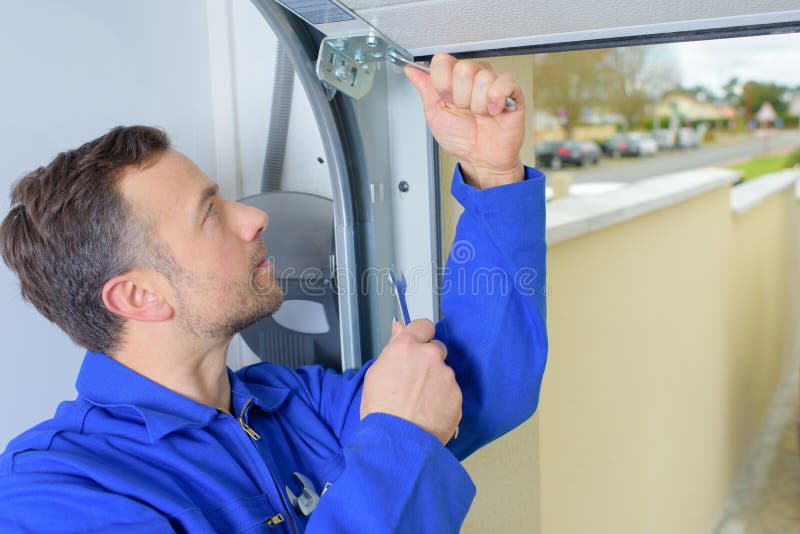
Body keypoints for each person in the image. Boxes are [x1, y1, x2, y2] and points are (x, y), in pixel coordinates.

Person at [0, 53, 547, 532]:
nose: (255, 217)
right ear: (140, 296)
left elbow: (480, 384)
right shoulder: (56, 493)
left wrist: (490, 171)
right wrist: (398, 440)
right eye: (209, 213)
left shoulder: (288, 406)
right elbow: (408, 431)